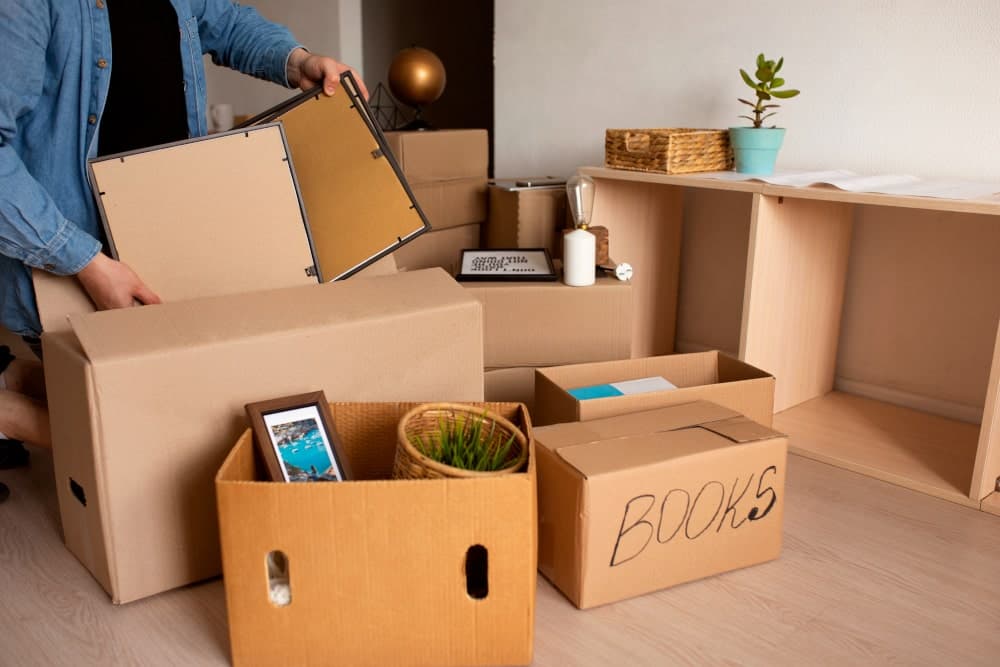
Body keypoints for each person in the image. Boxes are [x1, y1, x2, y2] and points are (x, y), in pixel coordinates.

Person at [0, 1, 367, 482]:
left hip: (165, 239)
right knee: (156, 451)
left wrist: (298, 60)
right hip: (76, 256)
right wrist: (87, 263)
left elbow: (226, 20)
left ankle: (17, 380)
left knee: (205, 426)